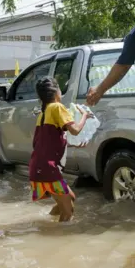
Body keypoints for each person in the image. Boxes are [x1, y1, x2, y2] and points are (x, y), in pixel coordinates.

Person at [31, 77, 91, 222]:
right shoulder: (57, 107)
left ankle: (46, 221)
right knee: (68, 211)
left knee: (71, 198)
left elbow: (44, 143)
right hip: (48, 168)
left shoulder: (43, 113)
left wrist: (71, 145)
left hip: (38, 166)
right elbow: (75, 130)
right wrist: (85, 116)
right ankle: (58, 238)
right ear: (56, 92)